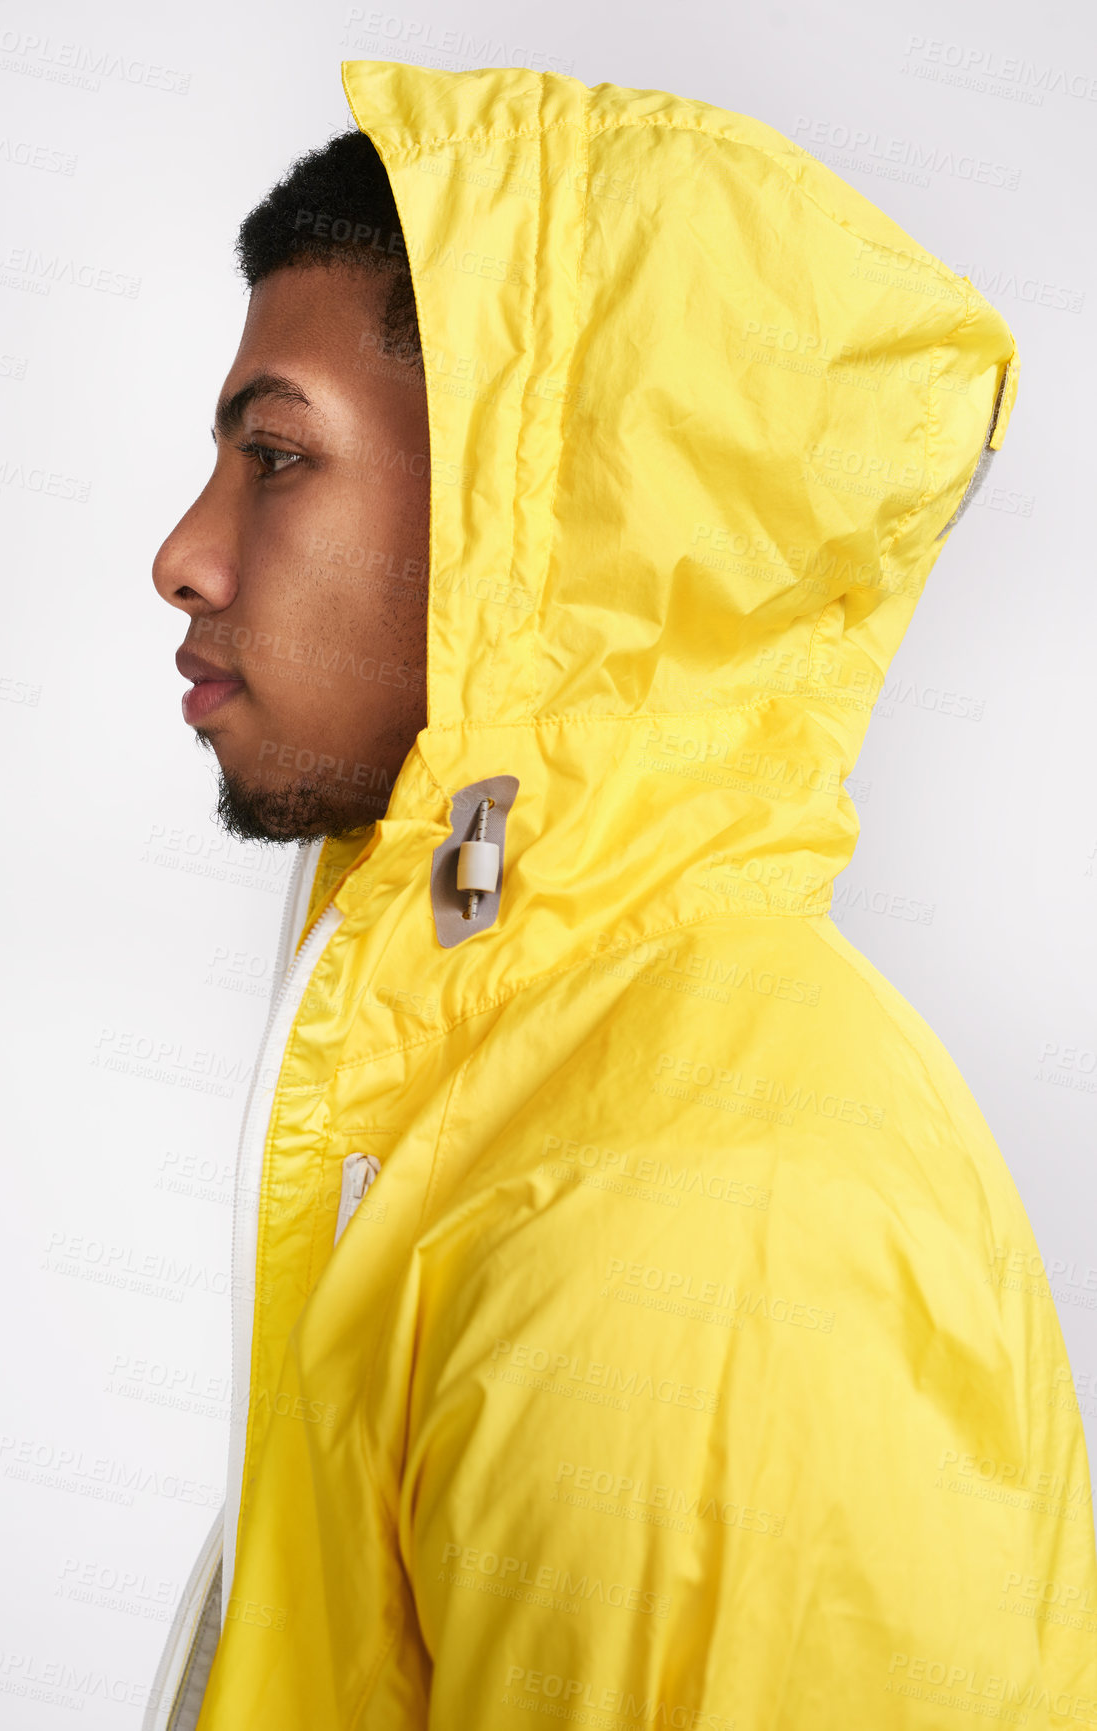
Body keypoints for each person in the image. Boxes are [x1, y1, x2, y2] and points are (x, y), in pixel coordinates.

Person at [146, 57, 1097, 1731]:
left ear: (538, 523)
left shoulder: (703, 1231)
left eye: (276, 458)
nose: (186, 551)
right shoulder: (522, 1091)